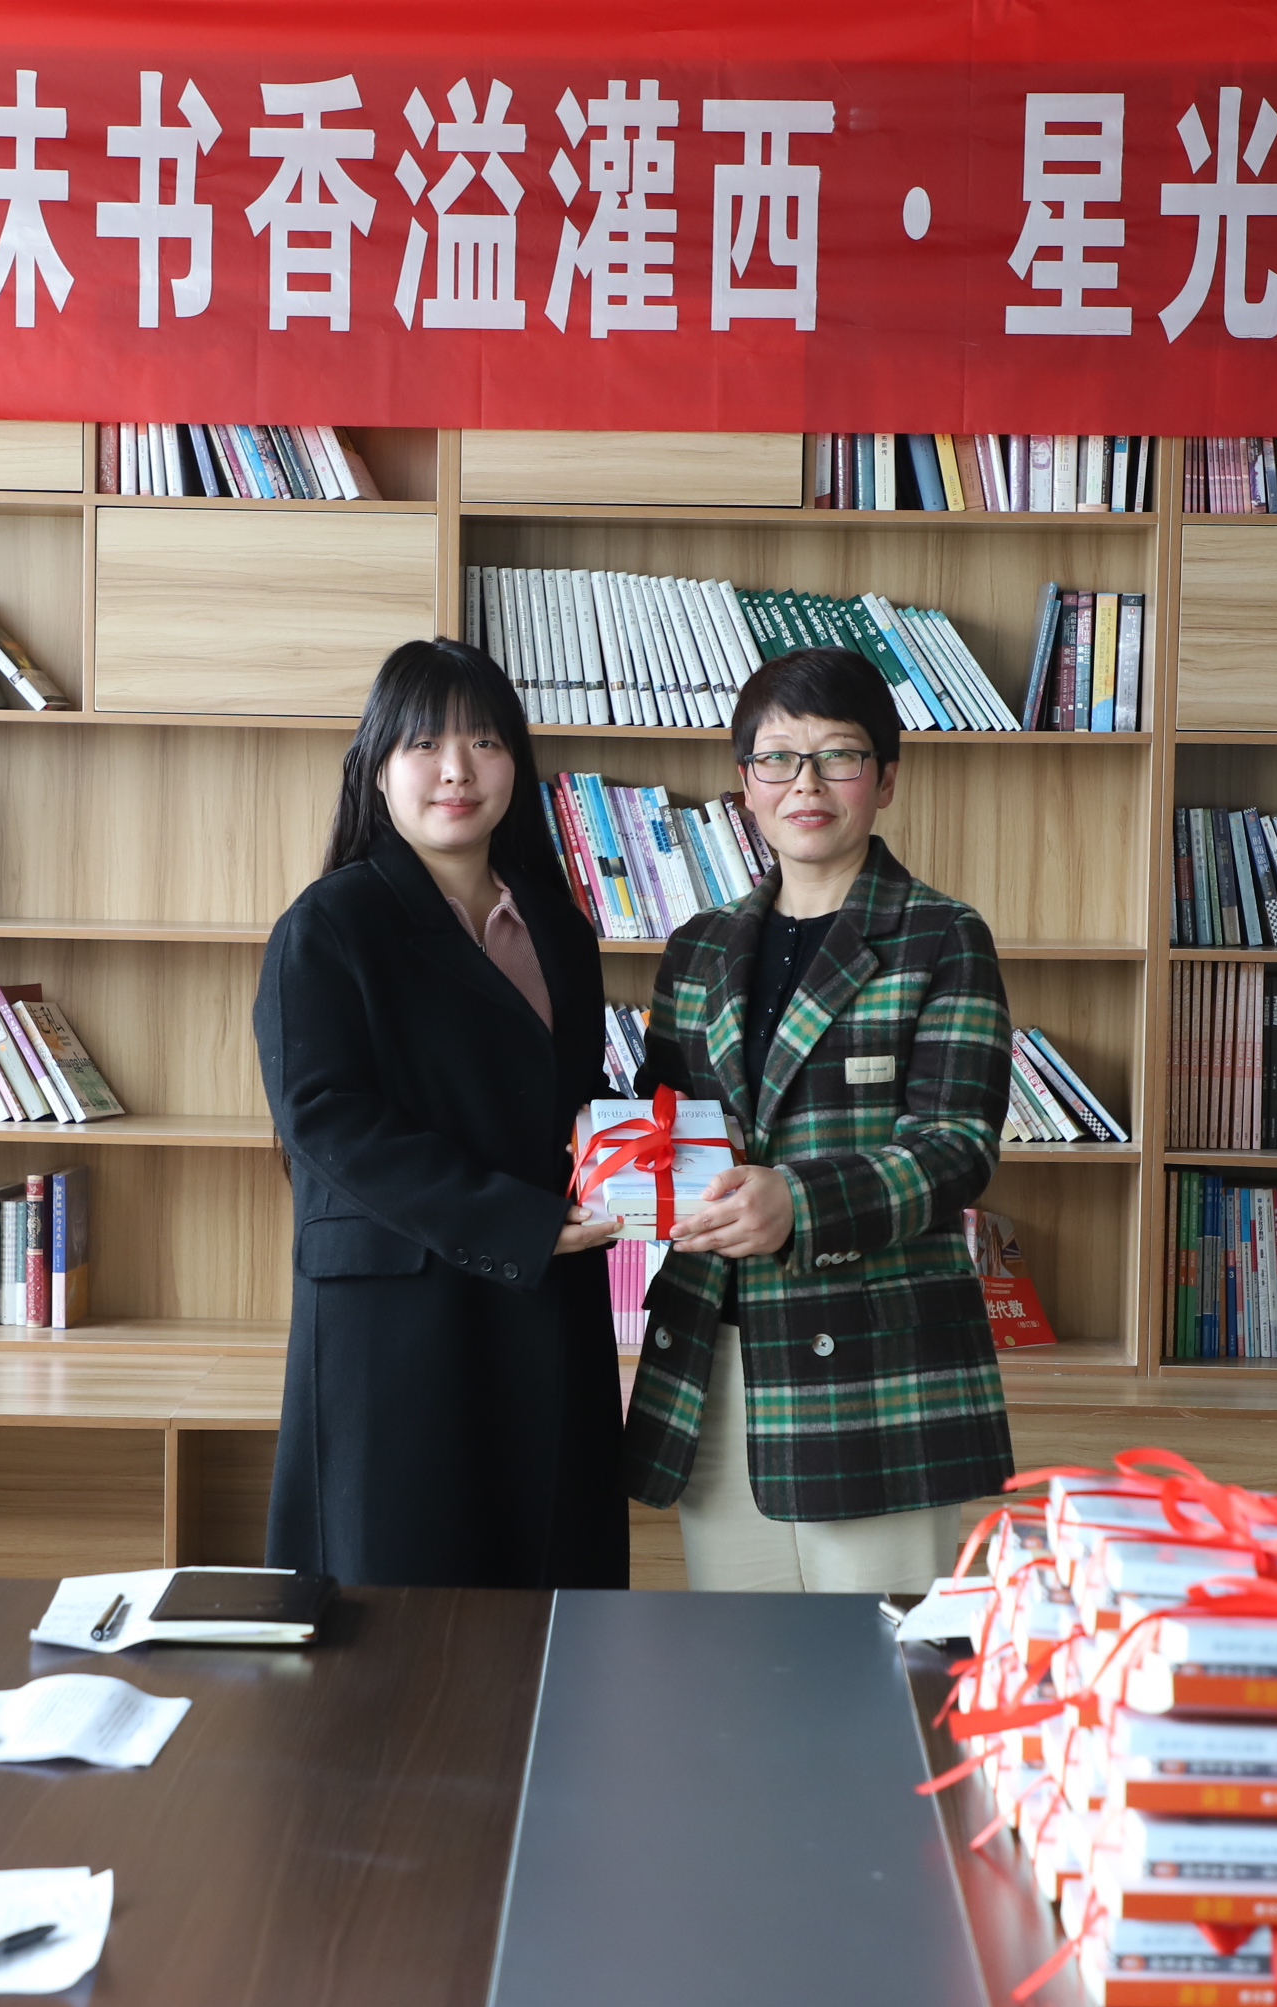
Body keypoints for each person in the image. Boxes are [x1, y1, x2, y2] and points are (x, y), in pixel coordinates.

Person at [624, 646, 1014, 1593]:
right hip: (715, 1362)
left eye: (838, 755)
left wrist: (796, 1203)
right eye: (777, 758)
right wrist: (612, 1167)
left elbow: (956, 1148)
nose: (805, 783)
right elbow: (664, 1123)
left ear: (885, 780)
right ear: (745, 785)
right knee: (737, 1663)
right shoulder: (697, 947)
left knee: (881, 1664)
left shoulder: (942, 935)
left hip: (877, 1370)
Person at [254, 638, 627, 1588]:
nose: (457, 769)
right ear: (378, 768)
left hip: (546, 1300)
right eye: (424, 743)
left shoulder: (558, 927)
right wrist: (518, 1222)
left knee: (550, 1601)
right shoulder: (328, 924)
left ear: (516, 765)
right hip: (400, 1318)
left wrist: (656, 1161)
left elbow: (572, 1104)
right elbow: (326, 1120)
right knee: (398, 1611)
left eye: (485, 742)